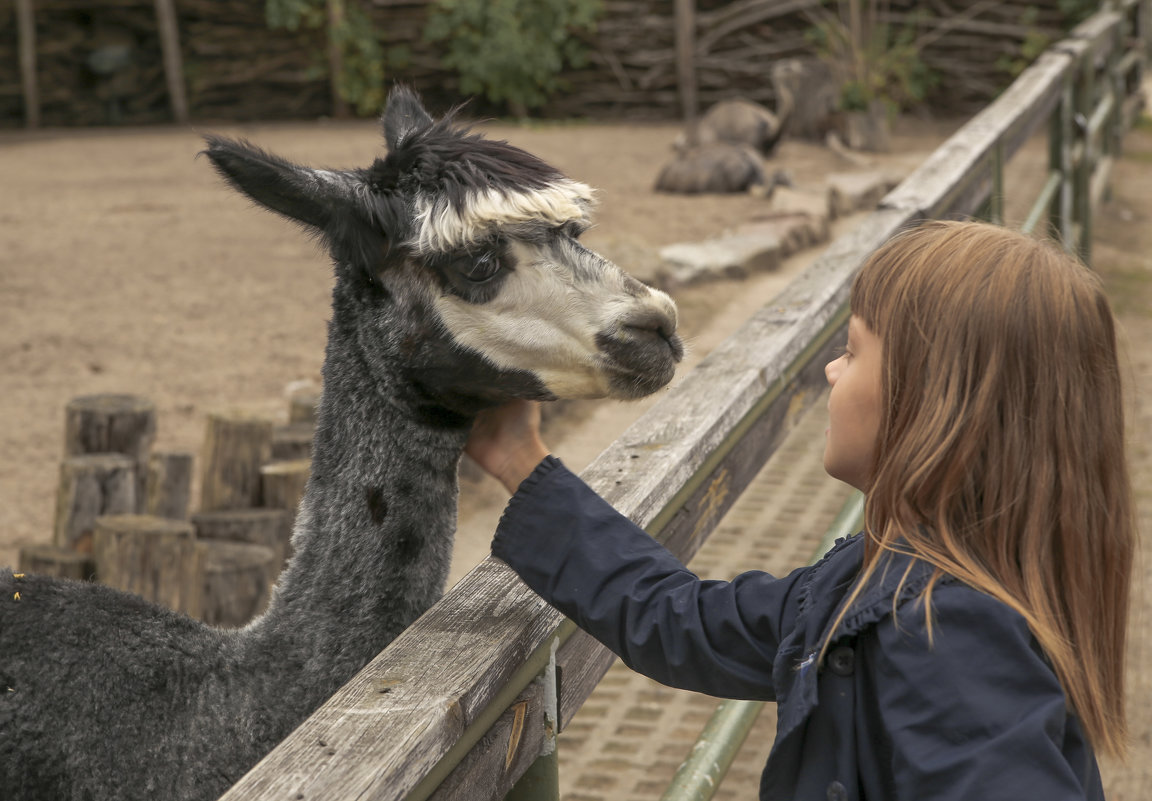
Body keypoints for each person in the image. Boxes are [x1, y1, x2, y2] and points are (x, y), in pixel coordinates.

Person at [465, 220, 1134, 800]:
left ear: (935, 401)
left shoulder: (949, 635)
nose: (831, 373)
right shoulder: (879, 586)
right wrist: (520, 458)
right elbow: (683, 621)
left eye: (852, 351)